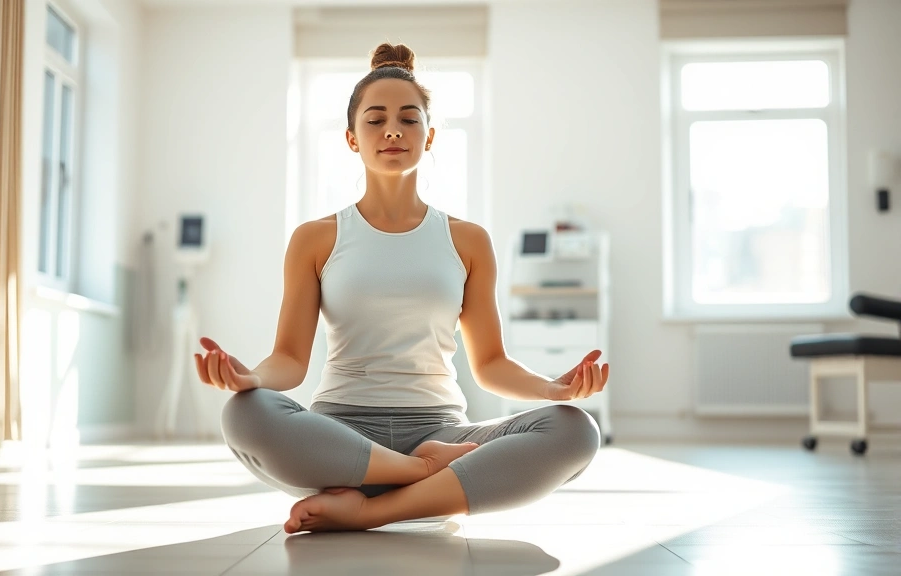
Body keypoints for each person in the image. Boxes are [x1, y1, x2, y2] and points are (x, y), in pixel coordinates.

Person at [193, 42, 608, 534]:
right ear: (352, 139)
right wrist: (251, 379)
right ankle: (421, 477)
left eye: (409, 119)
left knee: (575, 431)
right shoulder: (315, 238)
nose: (393, 130)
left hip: (441, 432)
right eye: (376, 120)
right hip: (341, 436)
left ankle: (370, 508)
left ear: (428, 137)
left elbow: (490, 364)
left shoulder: (468, 240)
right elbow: (289, 358)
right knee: (244, 414)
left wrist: (553, 388)